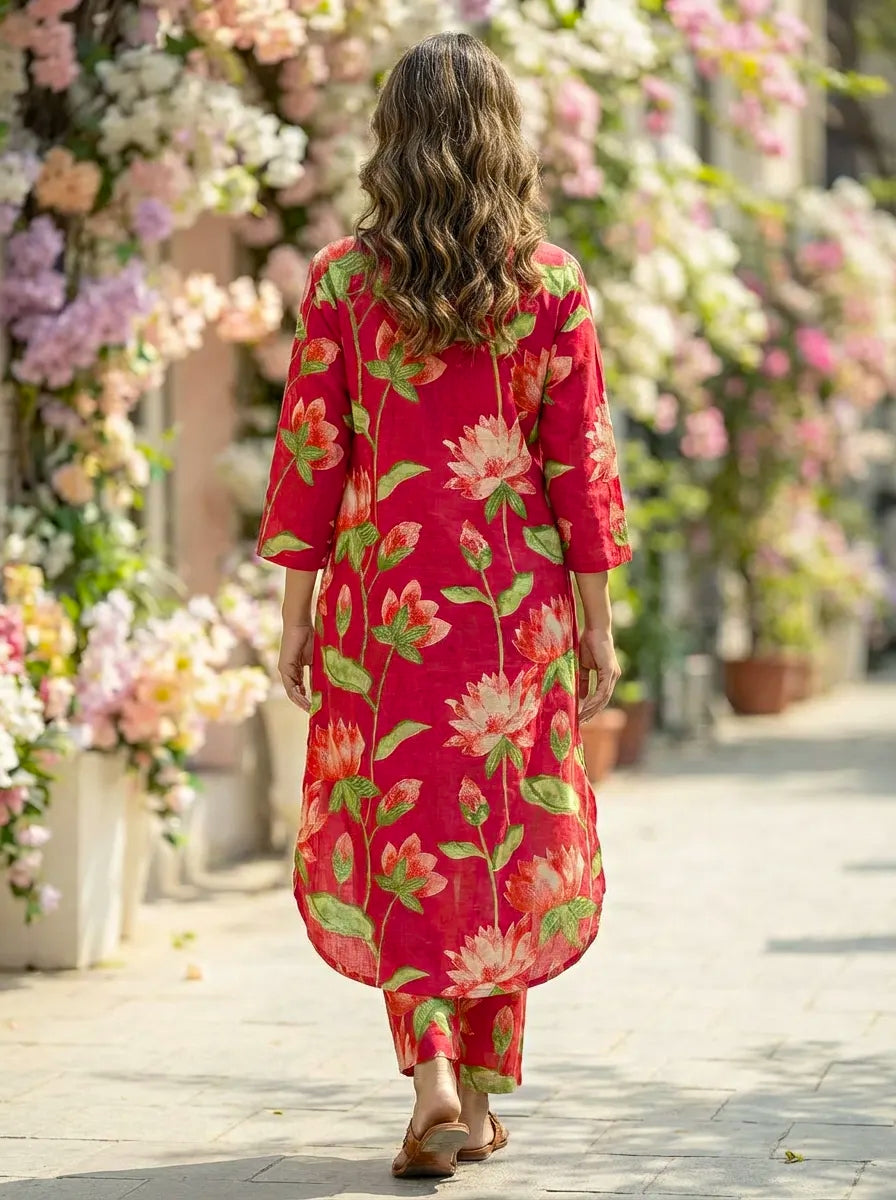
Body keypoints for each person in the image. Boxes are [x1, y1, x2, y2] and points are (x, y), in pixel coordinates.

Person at [256, 30, 632, 1180]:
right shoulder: (549, 282)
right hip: (511, 605)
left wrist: (297, 613)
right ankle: (472, 1090)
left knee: (407, 835)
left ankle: (429, 1083)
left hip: (389, 607)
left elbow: (313, 458)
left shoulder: (344, 282)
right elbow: (580, 466)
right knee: (498, 832)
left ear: (392, 137)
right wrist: (598, 626)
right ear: (502, 136)